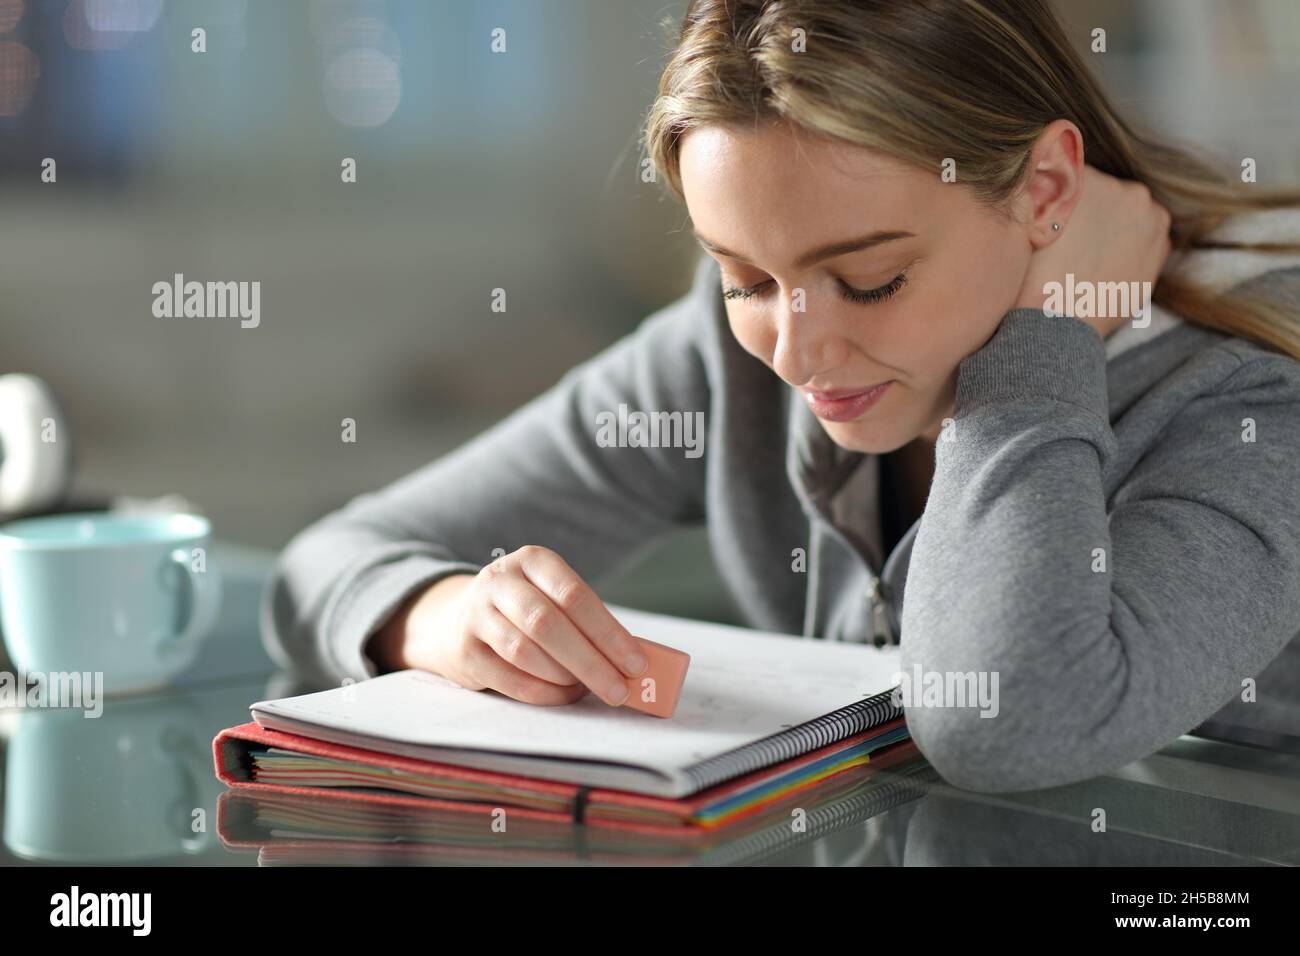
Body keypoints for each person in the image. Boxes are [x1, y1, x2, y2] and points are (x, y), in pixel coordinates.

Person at [262, 0, 1300, 792]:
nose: (800, 354)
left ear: (1045, 194)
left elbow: (1002, 721)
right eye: (746, 276)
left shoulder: (1250, 390)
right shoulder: (726, 355)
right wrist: (441, 616)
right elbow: (326, 558)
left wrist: (1047, 336)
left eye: (872, 278)